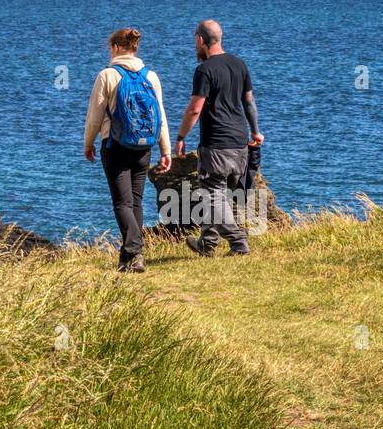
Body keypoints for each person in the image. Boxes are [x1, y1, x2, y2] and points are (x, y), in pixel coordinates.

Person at [84, 27, 171, 272]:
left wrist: (88, 143)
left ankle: (135, 250)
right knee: (136, 202)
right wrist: (166, 150)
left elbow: (95, 116)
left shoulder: (108, 75)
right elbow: (161, 115)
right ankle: (128, 259)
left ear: (114, 48)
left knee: (122, 203)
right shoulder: (151, 76)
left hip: (115, 145)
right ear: (135, 47)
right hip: (144, 147)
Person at [176, 19, 264, 257]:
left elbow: (195, 108)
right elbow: (249, 102)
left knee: (213, 195)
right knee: (218, 195)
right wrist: (255, 131)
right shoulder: (240, 64)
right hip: (240, 142)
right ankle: (207, 243)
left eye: (195, 41)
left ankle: (238, 242)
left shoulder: (204, 70)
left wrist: (181, 136)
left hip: (216, 144)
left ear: (201, 40)